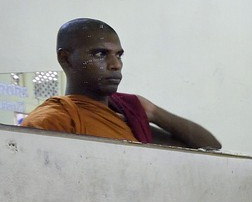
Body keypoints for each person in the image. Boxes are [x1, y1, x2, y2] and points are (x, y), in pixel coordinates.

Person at [20, 18, 221, 149]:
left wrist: (152, 112)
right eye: (100, 54)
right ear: (65, 59)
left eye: (119, 55)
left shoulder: (126, 117)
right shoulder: (52, 120)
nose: (116, 65)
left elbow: (210, 146)